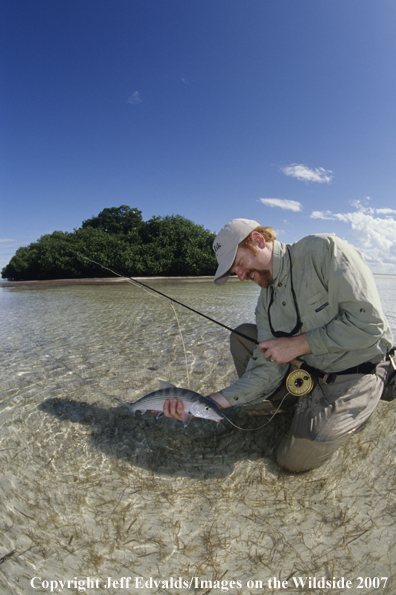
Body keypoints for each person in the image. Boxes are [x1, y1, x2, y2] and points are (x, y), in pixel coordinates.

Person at [163, 218, 394, 472]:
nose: (239, 277)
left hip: (356, 370)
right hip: (310, 372)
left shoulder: (325, 251)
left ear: (258, 241)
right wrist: (208, 402)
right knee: (243, 337)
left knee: (292, 462)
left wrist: (298, 345)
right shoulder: (265, 303)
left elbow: (369, 326)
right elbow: (265, 367)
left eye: (239, 264)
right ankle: (292, 405)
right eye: (233, 272)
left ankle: (373, 392)